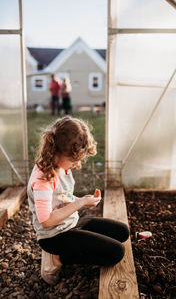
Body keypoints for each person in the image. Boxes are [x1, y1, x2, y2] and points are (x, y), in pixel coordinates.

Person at [27, 116, 129, 285]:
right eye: (74, 160)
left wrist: (83, 199)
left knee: (122, 232)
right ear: (58, 151)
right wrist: (79, 204)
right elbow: (46, 221)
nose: (77, 165)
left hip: (70, 223)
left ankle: (74, 245)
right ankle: (57, 258)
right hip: (54, 236)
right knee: (116, 253)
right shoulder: (43, 178)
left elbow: (62, 196)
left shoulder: (60, 164)